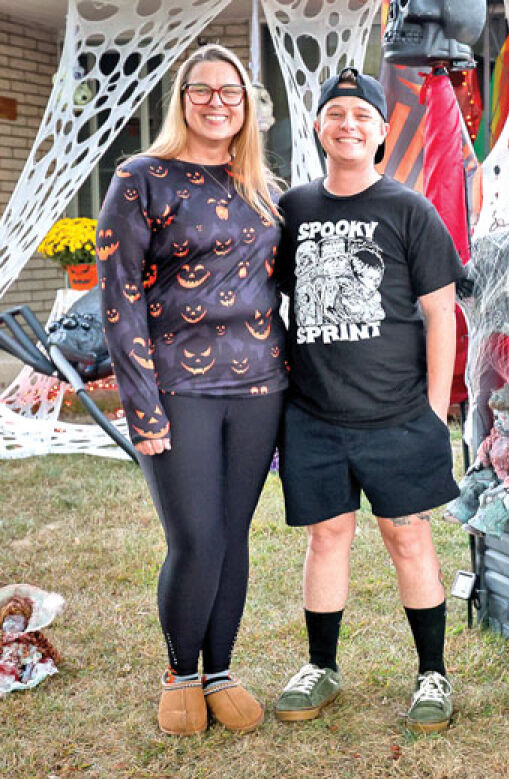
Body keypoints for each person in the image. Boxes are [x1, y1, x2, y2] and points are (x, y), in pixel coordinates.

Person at [98, 43, 286, 736]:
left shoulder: (261, 186)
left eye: (230, 93)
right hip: (177, 387)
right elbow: (118, 302)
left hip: (260, 386)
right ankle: (180, 671)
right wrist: (141, 407)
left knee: (233, 534)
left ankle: (221, 669)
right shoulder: (140, 177)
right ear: (182, 100)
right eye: (201, 91)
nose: (216, 103)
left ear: (247, 107)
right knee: (195, 536)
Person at [272, 66, 463, 734]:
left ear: (381, 134)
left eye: (363, 117)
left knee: (407, 534)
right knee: (327, 537)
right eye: (336, 114)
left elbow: (442, 313)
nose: (348, 124)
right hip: (315, 414)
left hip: (397, 413)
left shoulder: (409, 209)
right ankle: (321, 665)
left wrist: (435, 412)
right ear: (319, 127)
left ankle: (432, 672)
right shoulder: (291, 210)